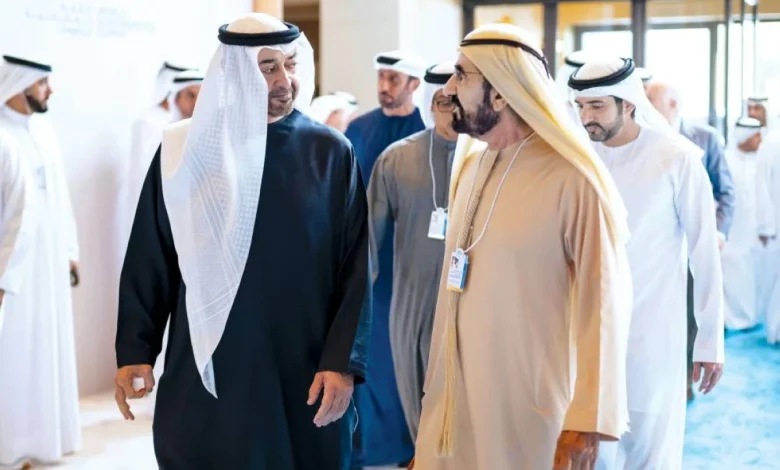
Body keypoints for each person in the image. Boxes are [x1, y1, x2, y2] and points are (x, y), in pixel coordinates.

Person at [114, 13, 371, 469]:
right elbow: (151, 254)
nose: (284, 80)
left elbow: (354, 270)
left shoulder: (331, 152)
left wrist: (342, 362)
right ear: (234, 72)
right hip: (212, 362)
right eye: (267, 67)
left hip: (302, 362)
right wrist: (137, 348)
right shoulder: (183, 149)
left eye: (290, 64)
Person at [411, 23, 633, 470]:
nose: (448, 89)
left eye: (461, 75)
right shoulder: (471, 167)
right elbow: (452, 294)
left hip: (530, 409)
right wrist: (433, 416)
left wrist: (588, 419)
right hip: (457, 402)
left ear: (499, 93)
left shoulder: (572, 179)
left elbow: (604, 304)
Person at [570, 57, 725, 470]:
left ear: (628, 103)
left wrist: (710, 340)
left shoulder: (677, 158)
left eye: (597, 106)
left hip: (654, 334)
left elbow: (704, 252)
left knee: (649, 452)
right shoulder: (578, 156)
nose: (586, 118)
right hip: (587, 333)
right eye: (580, 106)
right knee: (591, 451)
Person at [344, 49, 428, 467]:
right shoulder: (358, 129)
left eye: (393, 79)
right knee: (369, 357)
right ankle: (365, 448)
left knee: (405, 360)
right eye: (381, 77)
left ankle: (410, 447)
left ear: (414, 84)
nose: (384, 86)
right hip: (366, 260)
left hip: (411, 263)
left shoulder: (427, 132)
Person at [366, 63, 457, 443]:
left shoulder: (489, 157)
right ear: (430, 103)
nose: (452, 112)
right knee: (420, 417)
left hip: (469, 305)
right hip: (411, 305)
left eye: (458, 102)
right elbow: (368, 243)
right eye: (443, 102)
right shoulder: (396, 159)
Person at [0, 54, 81, 468]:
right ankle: (10, 444)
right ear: (18, 84)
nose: (50, 91)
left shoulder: (44, 131)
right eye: (42, 83)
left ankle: (45, 439)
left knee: (46, 345)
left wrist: (69, 251)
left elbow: (60, 196)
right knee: (14, 351)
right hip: (11, 268)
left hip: (47, 262)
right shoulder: (2, 136)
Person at [645, 79, 735, 400]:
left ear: (672, 105)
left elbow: (725, 191)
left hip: (697, 242)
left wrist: (717, 233)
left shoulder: (705, 138)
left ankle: (685, 379)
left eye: (650, 102)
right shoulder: (646, 138)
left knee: (692, 313)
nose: (644, 109)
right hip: (659, 247)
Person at [718, 117, 763, 331]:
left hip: (755, 231)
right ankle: (731, 319)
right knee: (732, 273)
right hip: (732, 231)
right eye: (756, 136)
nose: (759, 140)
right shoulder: (726, 160)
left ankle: (750, 317)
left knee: (751, 274)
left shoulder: (760, 161)